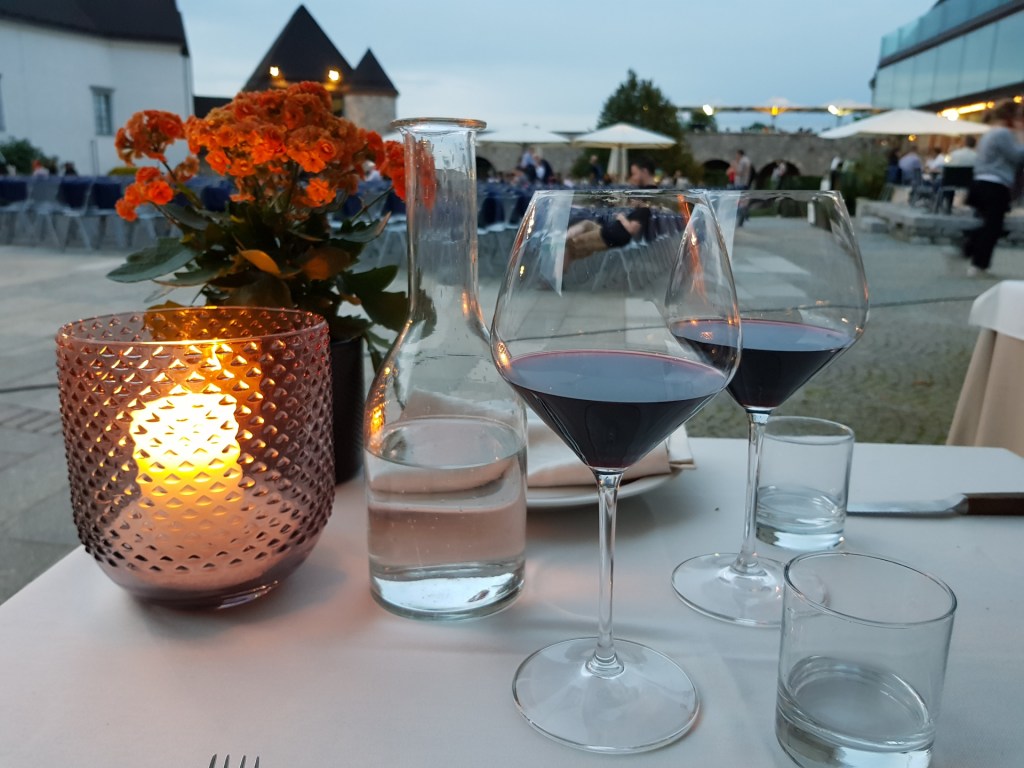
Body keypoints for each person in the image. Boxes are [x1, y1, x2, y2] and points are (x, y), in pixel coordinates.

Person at [961, 102, 1024, 276]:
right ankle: (978, 263)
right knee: (993, 227)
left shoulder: (990, 133)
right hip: (995, 184)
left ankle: (970, 248)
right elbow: (1017, 156)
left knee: (990, 225)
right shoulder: (1003, 133)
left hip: (981, 182)